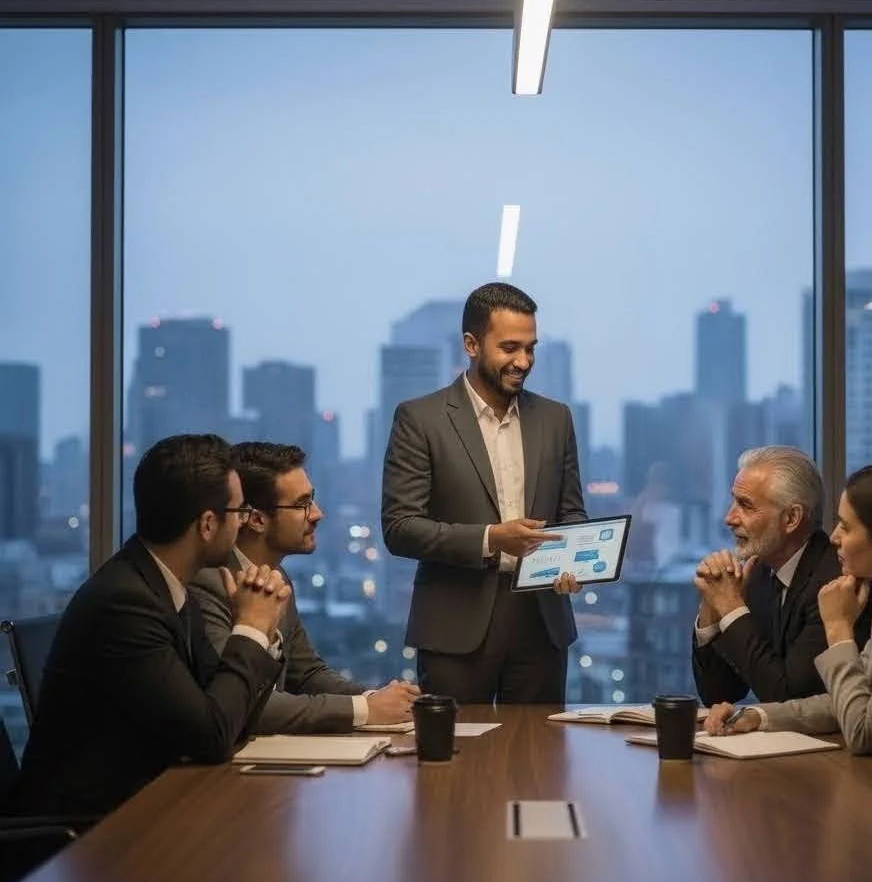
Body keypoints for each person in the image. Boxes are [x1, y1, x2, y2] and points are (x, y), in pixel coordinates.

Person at [13, 434, 289, 818]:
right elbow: (210, 736)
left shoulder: (167, 587)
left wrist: (258, 632)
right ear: (208, 524)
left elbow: (226, 711)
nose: (244, 522)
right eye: (240, 511)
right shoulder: (126, 604)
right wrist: (252, 627)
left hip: (148, 803)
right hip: (88, 838)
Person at [381, 281, 587, 704]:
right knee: (454, 761)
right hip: (455, 625)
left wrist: (575, 563)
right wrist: (492, 538)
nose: (523, 361)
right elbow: (399, 527)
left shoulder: (555, 419)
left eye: (531, 348)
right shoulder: (420, 419)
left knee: (538, 760)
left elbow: (572, 514)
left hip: (542, 624)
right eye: (510, 347)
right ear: (471, 344)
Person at [705, 462, 872, 793]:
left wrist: (839, 629)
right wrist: (757, 716)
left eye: (845, 526)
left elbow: (863, 730)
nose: (834, 537)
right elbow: (847, 701)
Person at [190, 441, 418, 732]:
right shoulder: (211, 584)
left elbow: (307, 673)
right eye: (302, 504)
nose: (317, 514)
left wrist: (378, 698)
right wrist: (366, 709)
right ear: (257, 519)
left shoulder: (277, 577)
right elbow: (240, 704)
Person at [692, 446, 872, 705]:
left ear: (791, 518)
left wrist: (731, 607)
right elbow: (720, 695)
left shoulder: (836, 582)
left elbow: (788, 696)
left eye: (745, 505)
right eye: (733, 501)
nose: (729, 518)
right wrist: (712, 609)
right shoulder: (759, 572)